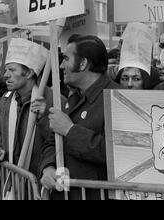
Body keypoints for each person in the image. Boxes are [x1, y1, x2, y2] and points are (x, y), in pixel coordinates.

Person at [39, 36, 120, 200]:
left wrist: (70, 131)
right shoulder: (74, 97)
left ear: (83, 63)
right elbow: (51, 141)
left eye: (66, 59)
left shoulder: (117, 99)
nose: (61, 65)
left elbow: (117, 152)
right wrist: (48, 167)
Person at [0, 39, 53, 177]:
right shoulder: (6, 99)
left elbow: (57, 142)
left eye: (12, 70)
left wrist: (44, 118)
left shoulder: (53, 100)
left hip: (39, 183)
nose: (6, 74)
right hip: (11, 182)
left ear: (29, 73)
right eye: (6, 69)